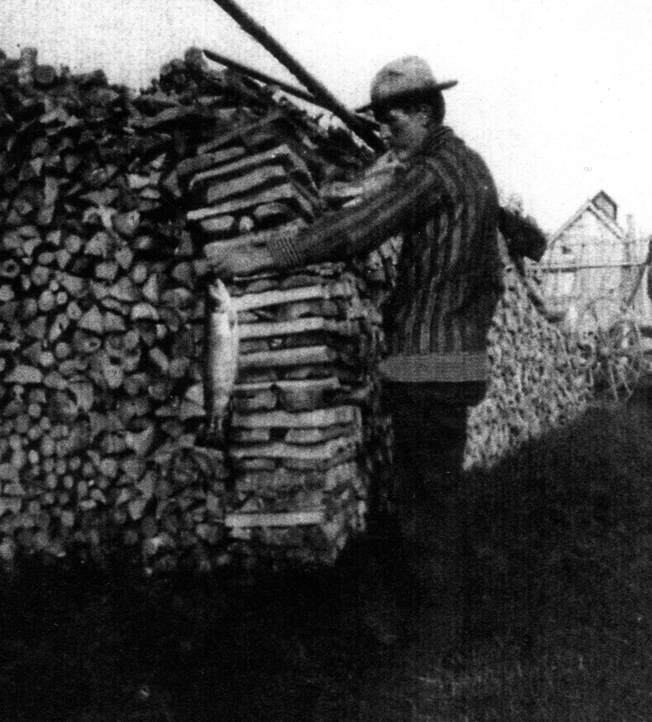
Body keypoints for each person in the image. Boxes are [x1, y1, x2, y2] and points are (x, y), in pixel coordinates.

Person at [208, 56, 504, 640]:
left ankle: (435, 634)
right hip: (453, 360)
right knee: (436, 493)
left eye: (391, 120)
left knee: (424, 503)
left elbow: (354, 232)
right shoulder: (473, 169)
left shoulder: (434, 173)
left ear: (423, 111)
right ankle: (441, 619)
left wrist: (259, 256)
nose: (384, 132)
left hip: (427, 365)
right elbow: (491, 278)